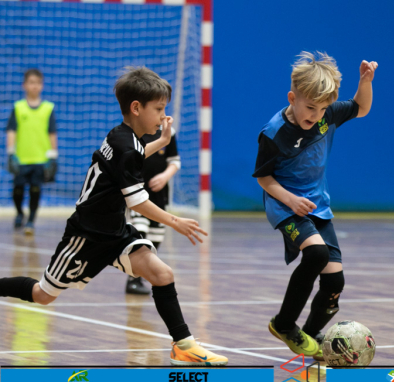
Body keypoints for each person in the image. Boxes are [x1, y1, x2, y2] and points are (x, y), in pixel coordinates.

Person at [0, 67, 228, 366]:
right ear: (136, 108)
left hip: (116, 232)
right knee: (43, 295)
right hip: (86, 236)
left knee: (162, 275)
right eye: (159, 109)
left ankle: (183, 346)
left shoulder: (123, 136)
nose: (163, 116)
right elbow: (138, 201)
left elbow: (135, 155)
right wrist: (176, 221)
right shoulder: (125, 145)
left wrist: (163, 141)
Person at [253, 51, 377, 360]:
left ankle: (309, 335)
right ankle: (284, 324)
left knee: (334, 281)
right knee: (317, 254)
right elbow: (264, 178)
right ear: (292, 98)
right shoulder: (274, 133)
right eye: (310, 107)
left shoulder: (327, 115)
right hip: (285, 203)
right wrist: (291, 200)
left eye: (323, 109)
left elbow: (361, 108)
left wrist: (364, 82)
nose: (317, 115)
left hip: (316, 204)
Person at [125, 126, 180, 295]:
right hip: (137, 196)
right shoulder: (134, 131)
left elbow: (174, 161)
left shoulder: (169, 132)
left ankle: (141, 276)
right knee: (140, 235)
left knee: (155, 240)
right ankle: (132, 280)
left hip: (159, 196)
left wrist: (165, 176)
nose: (161, 115)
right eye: (158, 111)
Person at [6, 69, 59, 235]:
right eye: (31, 82)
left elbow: (52, 133)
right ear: (24, 85)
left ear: (42, 86)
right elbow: (11, 131)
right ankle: (19, 213)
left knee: (36, 190)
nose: (34, 86)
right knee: (18, 190)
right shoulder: (18, 107)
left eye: (38, 83)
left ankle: (31, 221)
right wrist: (10, 152)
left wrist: (53, 155)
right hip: (21, 158)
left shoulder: (48, 108)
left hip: (40, 158)